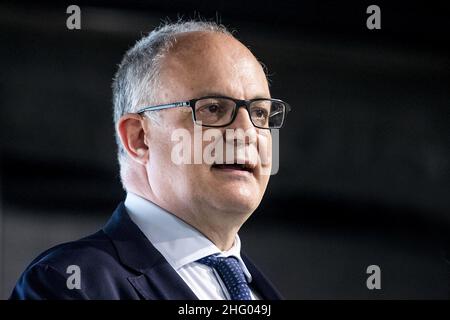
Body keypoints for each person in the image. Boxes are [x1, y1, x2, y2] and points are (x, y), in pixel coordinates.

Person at [10, 20, 290, 300]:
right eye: (213, 108)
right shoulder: (67, 284)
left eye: (261, 114)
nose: (248, 133)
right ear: (139, 138)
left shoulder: (260, 293)